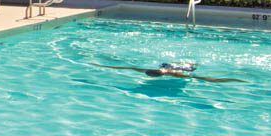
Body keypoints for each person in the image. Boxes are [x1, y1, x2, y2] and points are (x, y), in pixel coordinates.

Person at [96, 62, 245, 83]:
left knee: (191, 65)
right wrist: (106, 66)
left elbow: (205, 78)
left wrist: (231, 79)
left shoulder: (175, 73)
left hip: (184, 68)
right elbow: (127, 67)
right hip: (174, 65)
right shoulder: (149, 70)